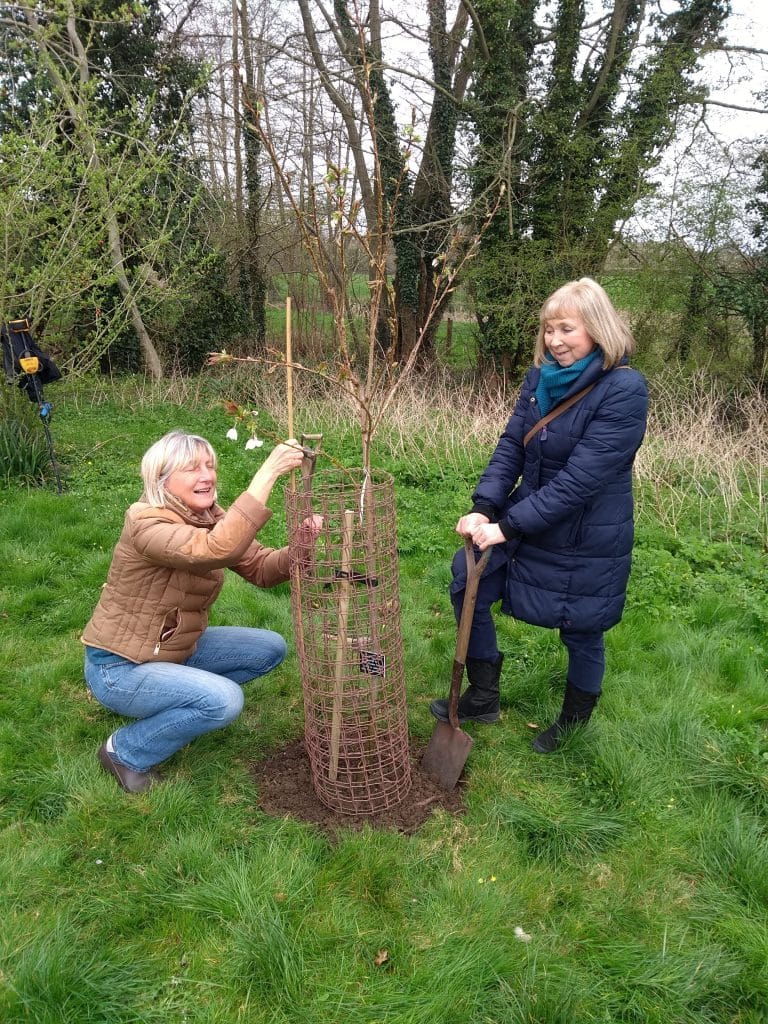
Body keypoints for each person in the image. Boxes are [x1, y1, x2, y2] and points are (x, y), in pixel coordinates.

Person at [430, 277, 648, 752]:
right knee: (466, 581)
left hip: (585, 535)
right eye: (549, 330)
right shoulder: (538, 380)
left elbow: (580, 481)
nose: (554, 341)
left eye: (566, 329)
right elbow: (511, 446)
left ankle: (572, 724)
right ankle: (483, 696)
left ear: (596, 327)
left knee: (583, 627)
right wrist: (483, 506)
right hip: (526, 521)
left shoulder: (624, 390)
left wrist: (505, 527)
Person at [82, 429, 321, 792]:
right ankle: (124, 752)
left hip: (169, 651)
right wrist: (268, 472)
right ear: (163, 479)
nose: (207, 475)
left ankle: (183, 707)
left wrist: (300, 546)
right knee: (224, 700)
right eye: (192, 468)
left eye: (209, 465)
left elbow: (261, 569)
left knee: (269, 648)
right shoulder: (146, 521)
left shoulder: (208, 516)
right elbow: (214, 550)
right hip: (120, 666)